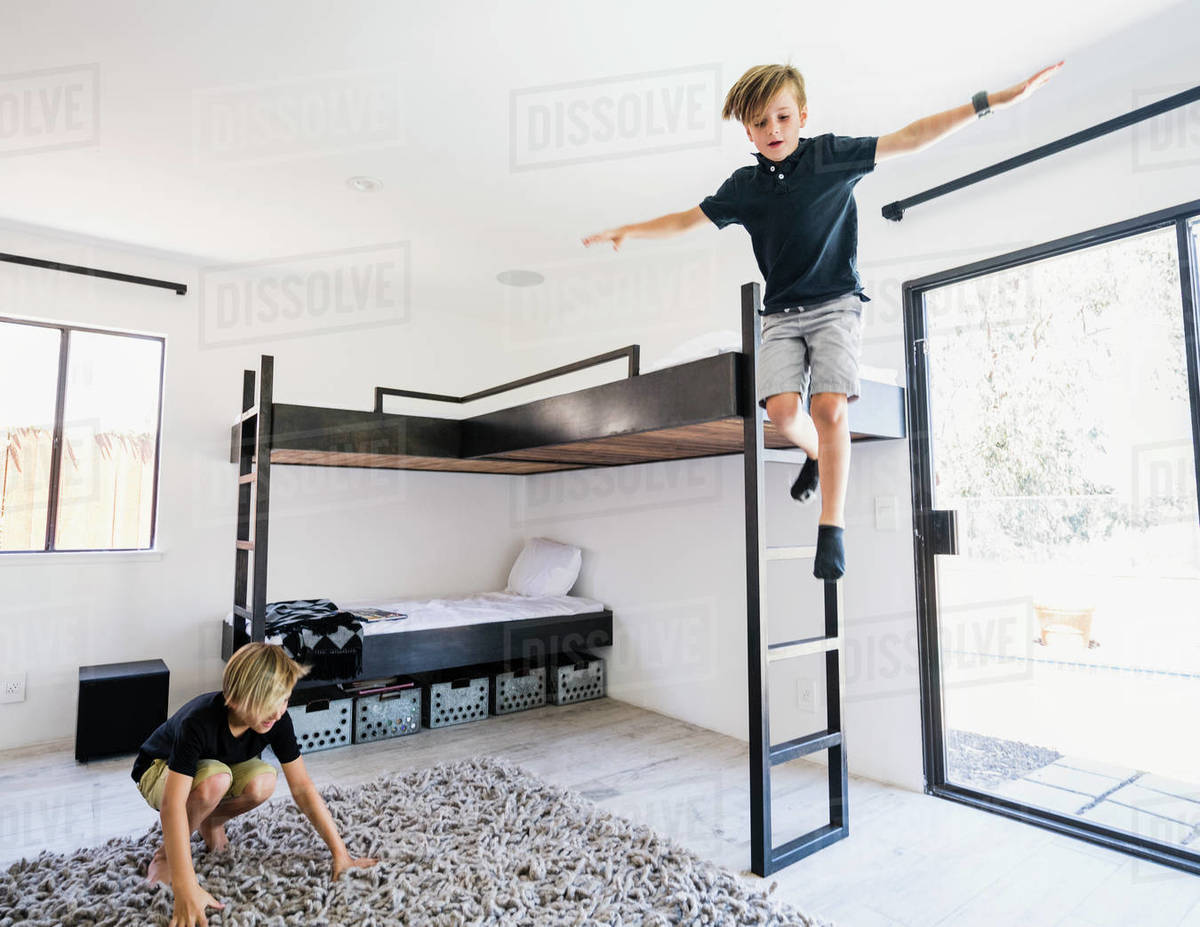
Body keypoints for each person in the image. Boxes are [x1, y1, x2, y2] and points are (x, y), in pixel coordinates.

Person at [584, 60, 1063, 579]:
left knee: (830, 406)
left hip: (836, 303)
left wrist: (987, 102)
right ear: (747, 129)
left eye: (783, 118)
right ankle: (813, 454)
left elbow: (910, 137)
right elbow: (686, 219)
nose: (773, 131)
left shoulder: (832, 157)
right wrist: (628, 230)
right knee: (784, 413)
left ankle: (830, 526)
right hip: (781, 315)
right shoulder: (744, 187)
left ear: (802, 116)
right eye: (761, 123)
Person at [131, 642, 378, 927]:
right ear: (234, 700)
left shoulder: (276, 719)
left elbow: (302, 788)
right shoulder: (197, 722)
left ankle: (209, 822)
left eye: (284, 700)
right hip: (157, 769)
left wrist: (341, 853)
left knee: (263, 781)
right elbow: (171, 805)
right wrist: (186, 887)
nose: (276, 713)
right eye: (267, 706)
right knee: (216, 781)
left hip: (215, 767)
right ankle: (164, 855)